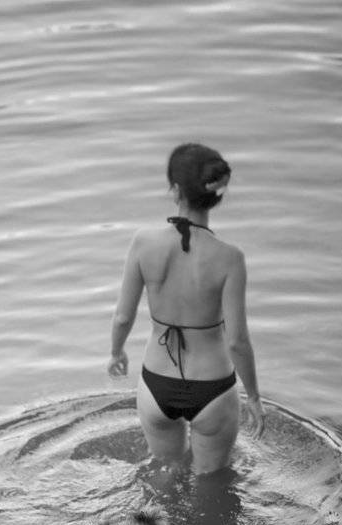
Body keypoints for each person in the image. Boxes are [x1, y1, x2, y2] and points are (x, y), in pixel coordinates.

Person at [107, 142, 263, 475]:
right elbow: (237, 341)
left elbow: (122, 317)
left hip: (156, 384)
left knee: (164, 473)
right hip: (212, 388)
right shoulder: (230, 258)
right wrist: (253, 396)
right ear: (215, 195)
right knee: (211, 484)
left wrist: (116, 352)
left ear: (176, 191)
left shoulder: (142, 243)